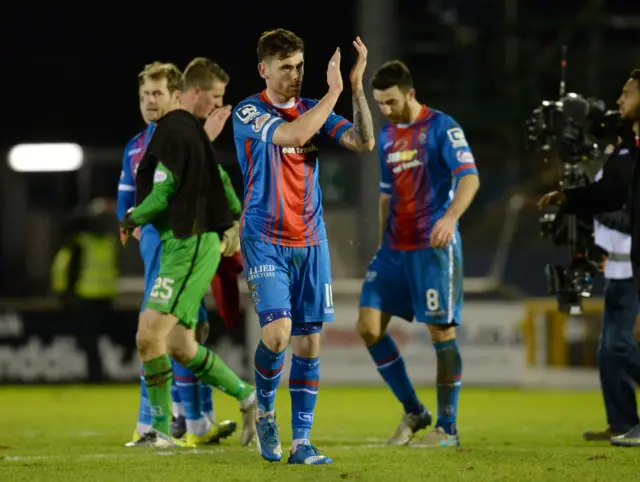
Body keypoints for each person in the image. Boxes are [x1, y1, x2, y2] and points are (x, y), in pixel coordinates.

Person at [232, 29, 375, 465]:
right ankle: (266, 413)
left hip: (310, 241)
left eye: (299, 66)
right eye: (285, 68)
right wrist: (332, 92)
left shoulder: (315, 108)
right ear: (264, 70)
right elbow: (294, 136)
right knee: (276, 335)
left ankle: (302, 443)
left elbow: (363, 142)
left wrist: (352, 89)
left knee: (309, 345)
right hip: (264, 238)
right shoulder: (249, 111)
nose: (295, 75)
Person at [121, 57, 257, 449]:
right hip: (190, 243)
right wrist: (231, 220)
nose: (150, 100)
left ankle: (160, 429)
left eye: (157, 93)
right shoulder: (187, 133)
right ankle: (247, 397)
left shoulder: (170, 132)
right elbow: (221, 180)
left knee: (148, 337)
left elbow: (161, 195)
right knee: (180, 344)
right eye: (145, 94)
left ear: (178, 95)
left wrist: (132, 217)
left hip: (188, 244)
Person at [356, 60, 480, 448]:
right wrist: (381, 243)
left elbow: (469, 177)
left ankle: (448, 428)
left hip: (432, 247)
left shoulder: (443, 127)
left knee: (440, 333)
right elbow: (385, 195)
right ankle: (414, 410)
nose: (386, 111)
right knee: (368, 327)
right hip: (394, 248)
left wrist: (450, 218)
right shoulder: (389, 136)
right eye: (380, 104)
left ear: (410, 93)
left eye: (391, 102)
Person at [539, 68, 640, 447]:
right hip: (622, 263)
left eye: (627, 93)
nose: (619, 100)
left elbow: (620, 205)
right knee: (610, 348)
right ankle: (623, 423)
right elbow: (611, 192)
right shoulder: (627, 143)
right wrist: (570, 197)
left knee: (617, 345)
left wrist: (580, 202)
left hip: (631, 262)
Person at [51, 198, 120, 382]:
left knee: (88, 341)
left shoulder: (80, 243)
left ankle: (94, 376)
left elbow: (68, 271)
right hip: (105, 298)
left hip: (85, 298)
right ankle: (99, 373)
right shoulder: (107, 243)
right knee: (99, 341)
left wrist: (64, 295)